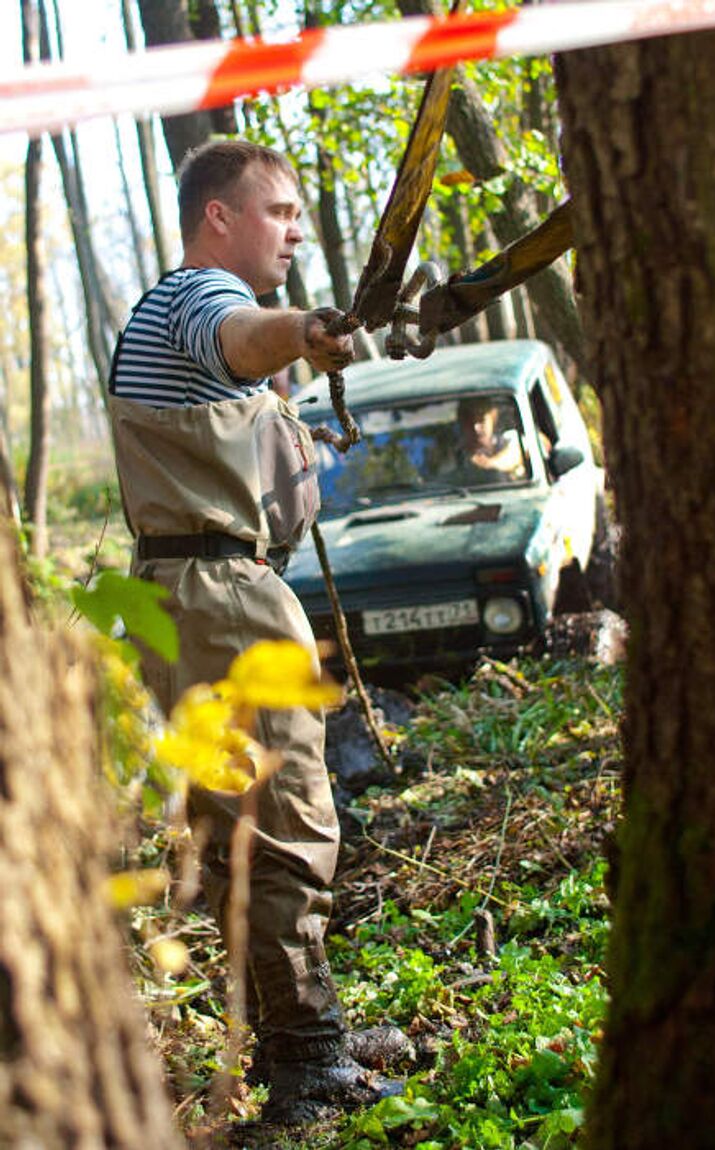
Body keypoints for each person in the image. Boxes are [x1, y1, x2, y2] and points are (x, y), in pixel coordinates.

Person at [108, 139, 400, 1124]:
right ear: (218, 217)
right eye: (278, 211)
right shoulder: (194, 301)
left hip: (204, 589)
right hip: (219, 594)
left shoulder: (182, 325)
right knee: (284, 821)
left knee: (241, 823)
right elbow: (243, 336)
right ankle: (309, 1062)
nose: (293, 230)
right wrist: (306, 331)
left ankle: (293, 1030)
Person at [457, 395, 527, 476]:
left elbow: (540, 443)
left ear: (493, 417)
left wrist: (493, 463)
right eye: (469, 422)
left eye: (481, 419)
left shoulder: (509, 440)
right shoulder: (452, 458)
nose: (476, 427)